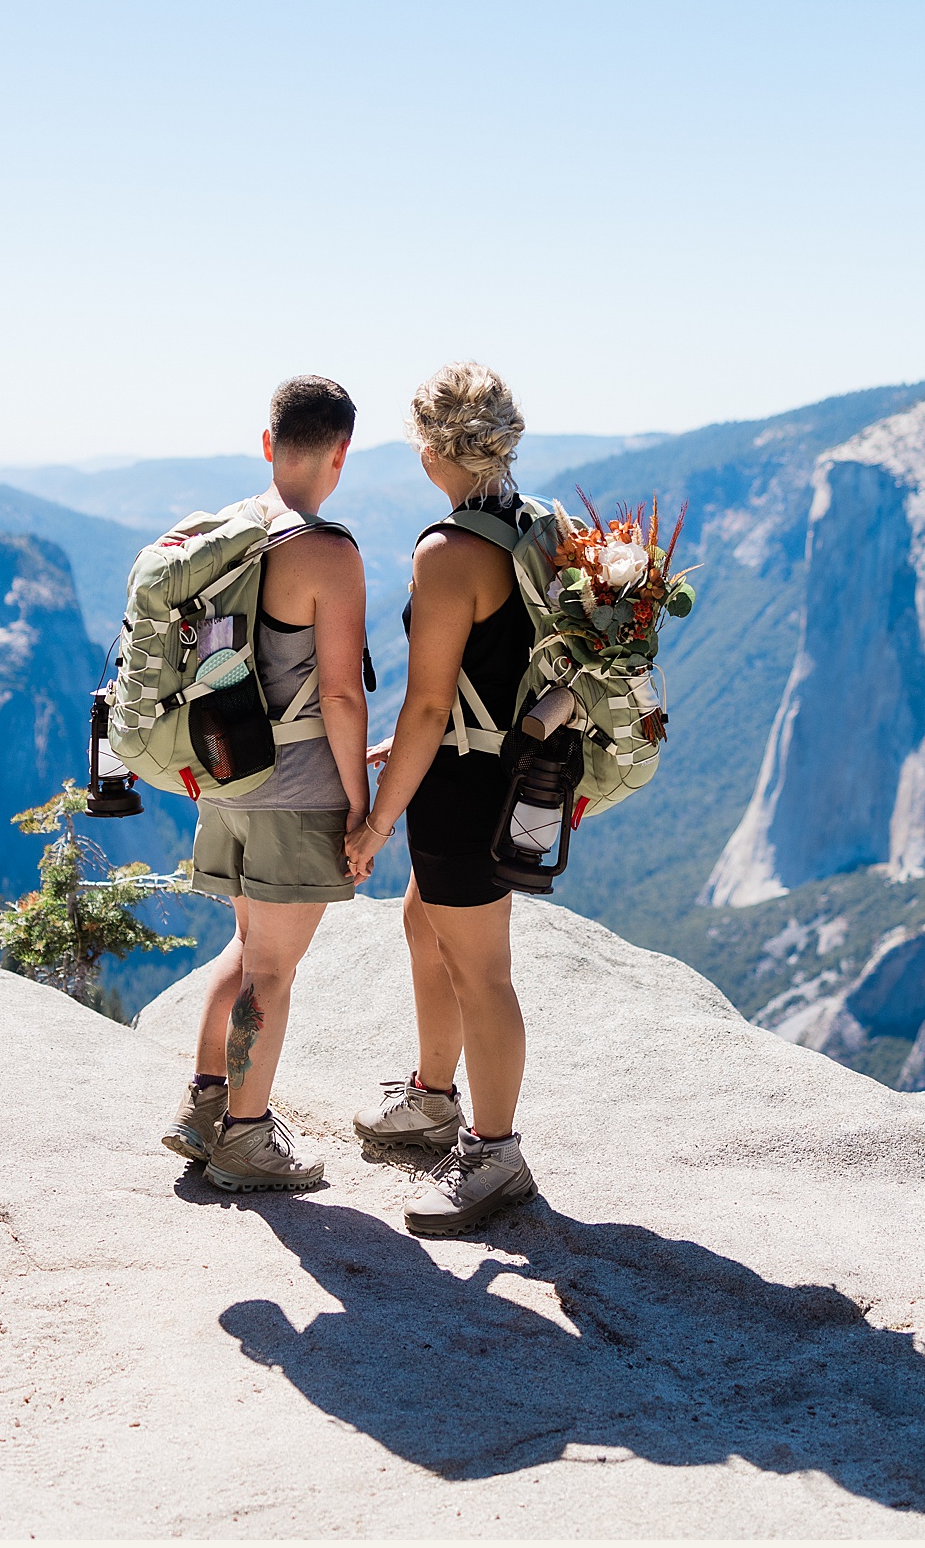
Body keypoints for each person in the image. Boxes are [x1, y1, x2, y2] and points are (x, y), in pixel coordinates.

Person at [162, 375, 377, 1193]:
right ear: (340, 454)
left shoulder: (223, 535)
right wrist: (359, 804)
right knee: (273, 973)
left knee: (249, 949)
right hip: (295, 792)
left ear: (267, 443)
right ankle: (247, 1136)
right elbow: (340, 693)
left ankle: (204, 1105)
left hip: (225, 780)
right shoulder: (326, 551)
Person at [344, 362, 540, 1236]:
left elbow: (426, 701)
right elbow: (486, 673)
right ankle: (432, 1099)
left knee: (481, 971)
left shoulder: (447, 551)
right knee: (424, 925)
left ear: (433, 448)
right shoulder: (529, 525)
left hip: (464, 786)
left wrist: (378, 817)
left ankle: (496, 1154)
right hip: (498, 767)